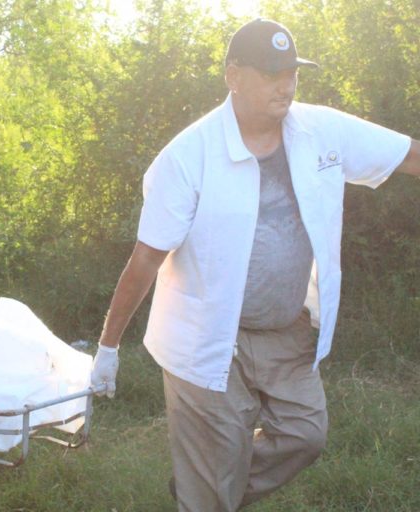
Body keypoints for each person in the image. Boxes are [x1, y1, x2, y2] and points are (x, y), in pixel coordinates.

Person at [90, 18, 420, 512]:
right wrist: (108, 347)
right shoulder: (188, 156)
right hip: (205, 338)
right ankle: (206, 492)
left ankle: (208, 487)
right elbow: (146, 257)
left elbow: (408, 156)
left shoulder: (321, 130)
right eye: (270, 73)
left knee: (306, 435)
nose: (284, 84)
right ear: (233, 75)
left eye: (290, 72)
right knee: (211, 492)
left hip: (285, 331)